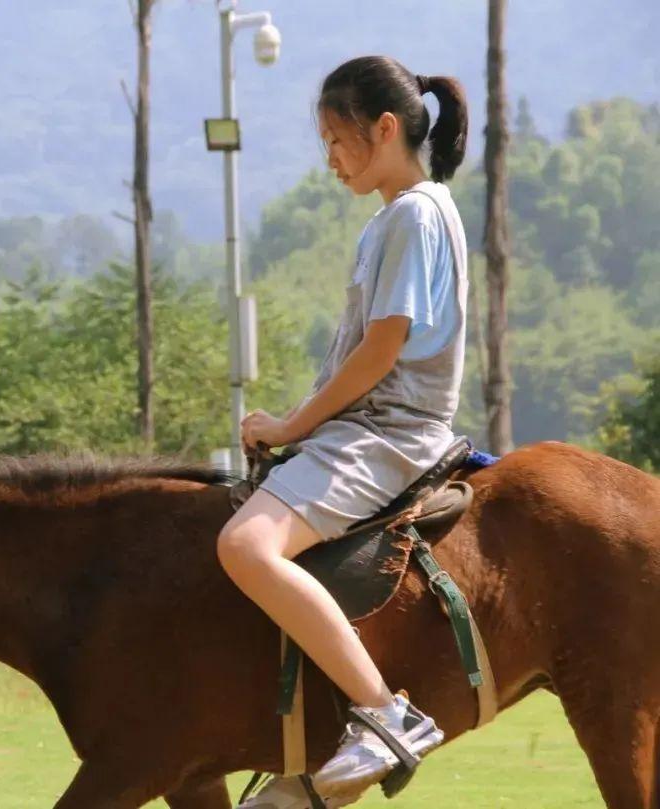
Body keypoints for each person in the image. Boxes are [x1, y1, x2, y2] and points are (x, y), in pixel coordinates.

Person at [218, 56, 470, 806]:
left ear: (384, 129)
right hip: (371, 426)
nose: (328, 157)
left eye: (336, 139)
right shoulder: (406, 214)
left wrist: (293, 422)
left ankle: (386, 714)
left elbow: (383, 347)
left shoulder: (412, 214)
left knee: (245, 545)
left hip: (387, 433)